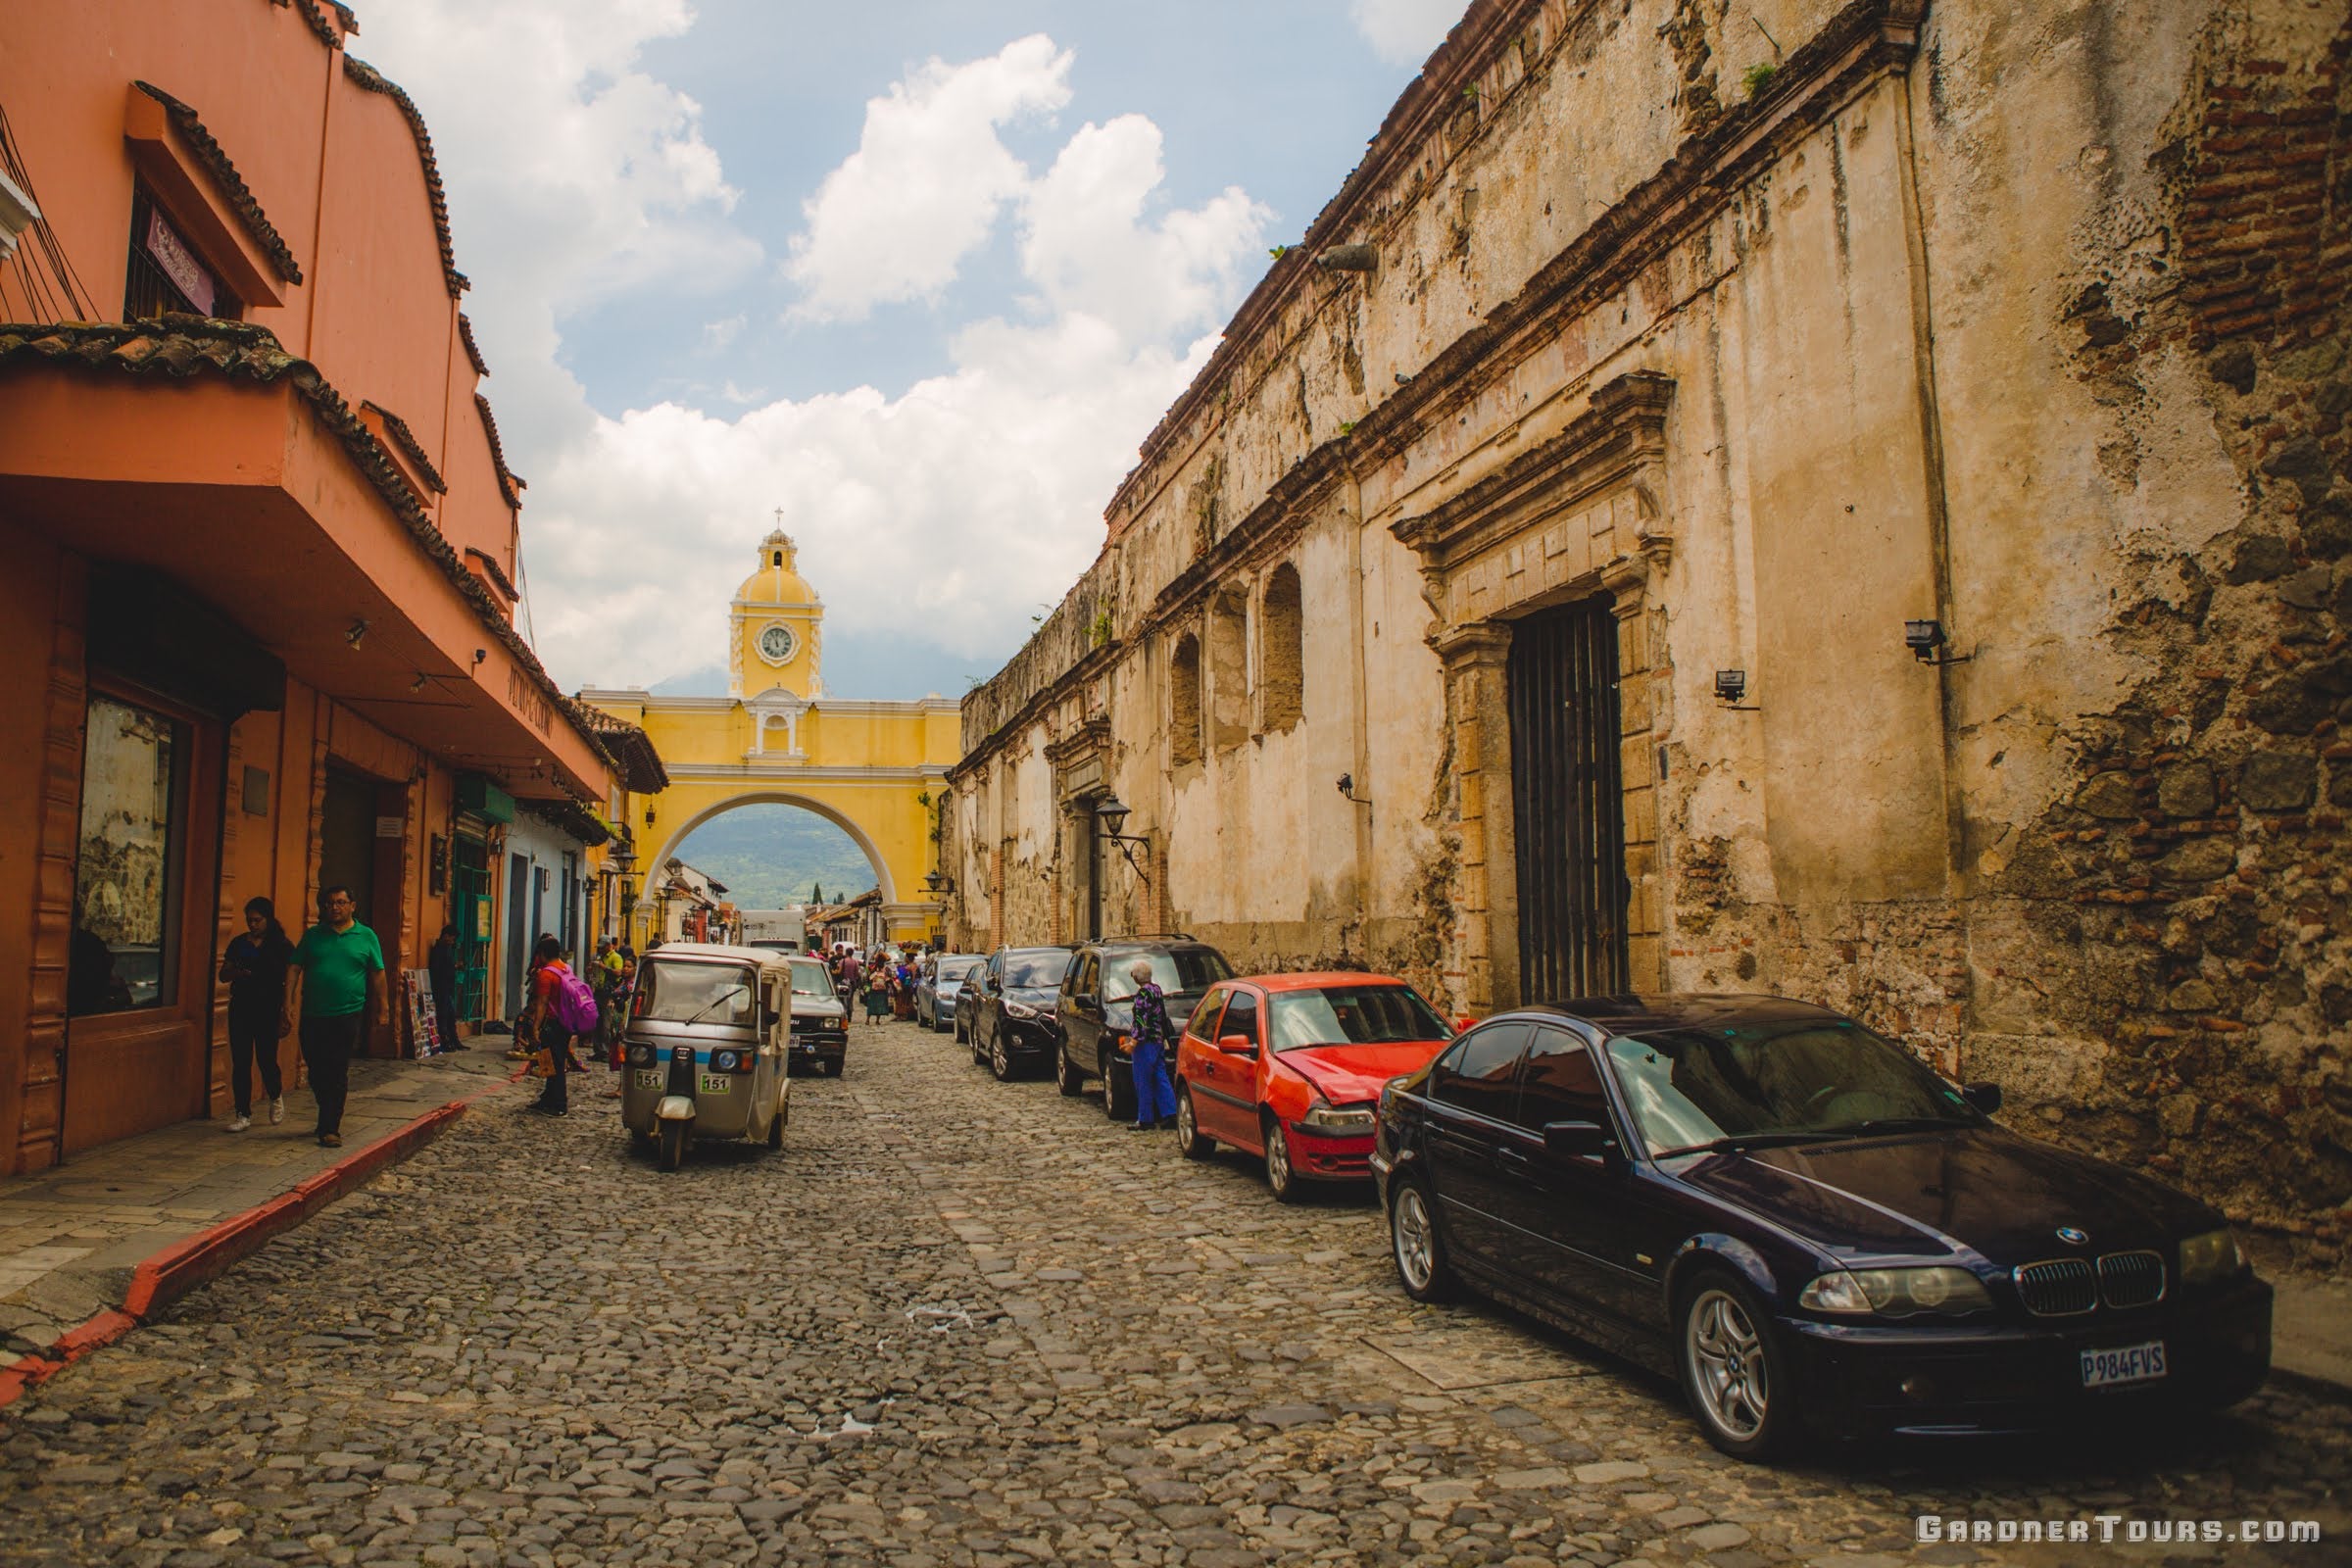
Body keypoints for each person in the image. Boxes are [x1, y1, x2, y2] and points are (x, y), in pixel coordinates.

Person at [282, 885, 385, 1149]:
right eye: (329, 904)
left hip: (347, 1013)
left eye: (340, 903)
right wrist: (288, 1002)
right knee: (316, 1069)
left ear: (352, 906)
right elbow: (294, 967)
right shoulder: (313, 936)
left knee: (337, 1068)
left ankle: (330, 1128)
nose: (334, 908)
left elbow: (377, 973)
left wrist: (384, 1007)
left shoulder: (366, 936)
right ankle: (326, 1109)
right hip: (314, 1012)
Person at [218, 897, 292, 1131]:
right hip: (241, 1007)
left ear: (267, 919)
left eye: (257, 920)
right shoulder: (240, 943)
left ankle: (275, 1095)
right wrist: (237, 972)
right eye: (249, 920)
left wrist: (285, 1008)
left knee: (266, 1058)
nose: (253, 925)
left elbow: (291, 976)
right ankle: (243, 1112)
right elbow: (223, 974)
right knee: (241, 1060)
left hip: (268, 1008)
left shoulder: (280, 945)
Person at [521, 933, 573, 1116]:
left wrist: (535, 1027)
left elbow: (542, 1003)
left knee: (554, 1064)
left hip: (551, 1023)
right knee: (552, 1061)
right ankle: (548, 1098)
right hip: (565, 1022)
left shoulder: (546, 974)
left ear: (542, 954)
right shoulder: (566, 968)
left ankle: (559, 1104)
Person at [1126, 958, 1177, 1132]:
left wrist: (1133, 1041)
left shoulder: (1142, 995)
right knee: (1160, 1076)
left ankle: (1145, 1118)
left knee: (1143, 1080)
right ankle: (1170, 1113)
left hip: (1145, 1042)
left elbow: (1140, 1019)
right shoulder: (1156, 990)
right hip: (1158, 1039)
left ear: (1136, 977)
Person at [426, 923, 463, 1053]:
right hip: (441, 987)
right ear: (446, 936)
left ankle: (454, 1040)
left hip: (447, 987)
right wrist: (453, 968)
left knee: (450, 1015)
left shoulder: (446, 949)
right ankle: (445, 1041)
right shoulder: (438, 950)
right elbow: (437, 969)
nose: (452, 942)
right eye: (452, 939)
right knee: (443, 1015)